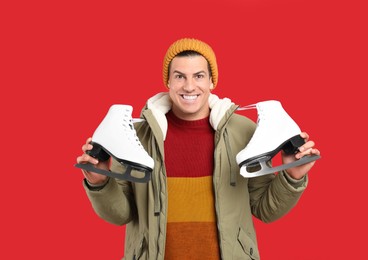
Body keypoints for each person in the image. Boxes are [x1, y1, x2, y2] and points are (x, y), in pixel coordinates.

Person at [76, 37, 320, 260]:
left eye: (199, 76)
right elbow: (121, 214)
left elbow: (265, 209)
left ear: (212, 80)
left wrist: (292, 176)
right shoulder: (135, 137)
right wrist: (100, 182)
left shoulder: (244, 131)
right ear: (168, 81)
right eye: (180, 76)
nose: (189, 86)